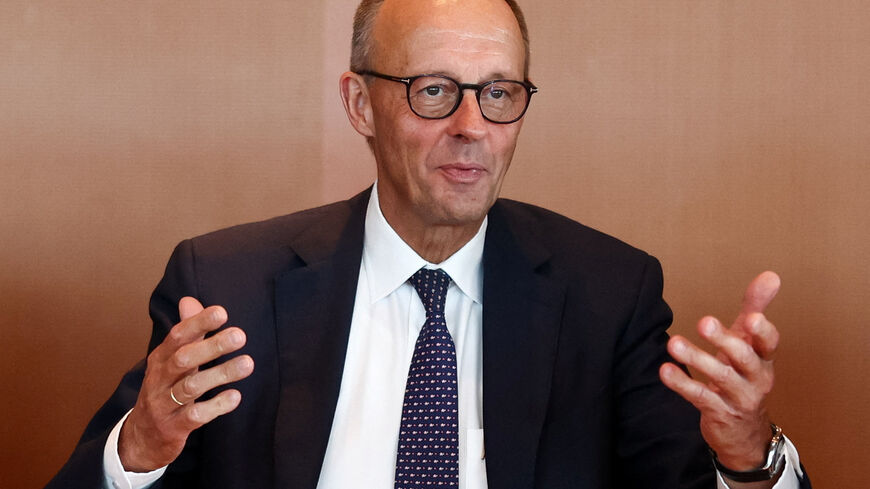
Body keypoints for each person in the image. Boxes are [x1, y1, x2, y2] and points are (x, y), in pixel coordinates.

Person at [47, 0, 812, 488]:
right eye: (434, 90)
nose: (473, 128)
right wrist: (143, 447)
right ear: (360, 103)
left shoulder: (608, 295)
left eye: (500, 94)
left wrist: (746, 455)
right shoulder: (228, 283)